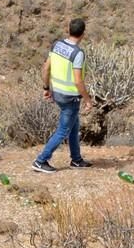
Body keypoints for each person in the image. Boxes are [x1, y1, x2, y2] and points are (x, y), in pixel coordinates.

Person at [32, 18, 94, 174]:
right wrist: (88, 100)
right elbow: (78, 81)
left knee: (73, 125)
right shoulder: (77, 53)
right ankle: (41, 160)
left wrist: (46, 87)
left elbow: (46, 68)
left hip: (57, 92)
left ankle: (76, 159)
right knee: (63, 130)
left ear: (68, 30)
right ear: (83, 34)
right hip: (70, 97)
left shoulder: (57, 45)